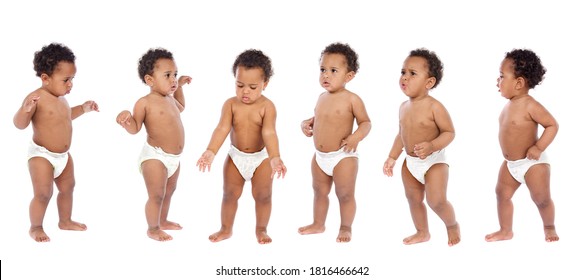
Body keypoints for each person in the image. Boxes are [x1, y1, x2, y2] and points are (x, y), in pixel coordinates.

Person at [196, 49, 286, 244]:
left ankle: (261, 229)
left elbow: (269, 132)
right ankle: (225, 228)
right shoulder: (230, 104)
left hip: (261, 158)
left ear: (265, 84)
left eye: (253, 87)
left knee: (263, 196)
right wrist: (210, 151)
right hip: (235, 157)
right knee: (229, 195)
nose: (245, 91)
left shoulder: (267, 106)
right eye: (240, 85)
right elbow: (221, 129)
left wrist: (275, 157)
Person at [13, 43, 99, 242]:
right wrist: (24, 110)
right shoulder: (37, 98)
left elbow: (66, 117)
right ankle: (35, 227)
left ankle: (65, 220)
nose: (70, 84)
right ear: (45, 78)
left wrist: (84, 109)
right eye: (66, 80)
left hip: (63, 156)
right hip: (41, 155)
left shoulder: (61, 99)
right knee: (43, 193)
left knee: (68, 187)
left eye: (72, 79)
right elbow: (19, 124)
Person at [383, 48, 460, 246]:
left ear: (429, 82)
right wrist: (392, 157)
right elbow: (401, 134)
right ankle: (422, 231)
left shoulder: (434, 106)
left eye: (412, 74)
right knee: (413, 199)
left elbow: (449, 132)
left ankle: (451, 225)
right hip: (410, 163)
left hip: (434, 162)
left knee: (436, 201)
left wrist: (432, 146)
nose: (405, 78)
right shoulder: (403, 107)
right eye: (403, 72)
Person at [298, 42, 371, 243]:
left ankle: (345, 227)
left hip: (343, 156)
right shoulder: (321, 97)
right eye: (322, 70)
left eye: (333, 70)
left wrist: (356, 137)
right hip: (320, 157)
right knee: (319, 192)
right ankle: (318, 223)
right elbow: (318, 118)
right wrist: (306, 123)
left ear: (349, 76)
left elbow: (366, 123)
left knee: (345, 194)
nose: (326, 75)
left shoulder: (352, 99)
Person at [116, 48, 191, 242]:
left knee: (169, 192)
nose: (174, 79)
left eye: (175, 74)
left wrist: (180, 87)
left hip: (174, 159)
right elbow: (135, 128)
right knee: (156, 194)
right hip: (154, 157)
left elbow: (182, 107)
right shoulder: (144, 102)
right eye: (168, 75)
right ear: (150, 80)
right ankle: (153, 228)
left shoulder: (171, 100)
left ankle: (163, 220)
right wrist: (126, 121)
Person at [485, 49, 559, 242]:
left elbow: (552, 125)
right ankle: (505, 230)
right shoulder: (508, 105)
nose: (497, 81)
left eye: (502, 76)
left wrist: (539, 147)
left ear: (518, 83)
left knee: (541, 199)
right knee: (501, 194)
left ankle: (549, 226)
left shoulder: (530, 105)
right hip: (511, 164)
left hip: (533, 163)